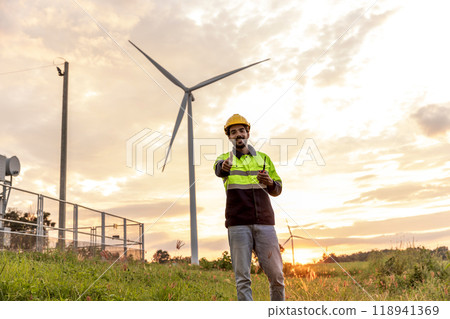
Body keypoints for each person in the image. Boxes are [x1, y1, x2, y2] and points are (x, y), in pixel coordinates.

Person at [213, 114, 285, 301]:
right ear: (229, 136)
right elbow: (219, 169)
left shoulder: (263, 158)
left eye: (241, 131)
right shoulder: (223, 159)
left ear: (248, 133)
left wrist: (269, 182)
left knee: (276, 276)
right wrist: (225, 166)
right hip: (238, 225)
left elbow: (277, 189)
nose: (238, 134)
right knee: (243, 279)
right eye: (233, 132)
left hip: (265, 225)